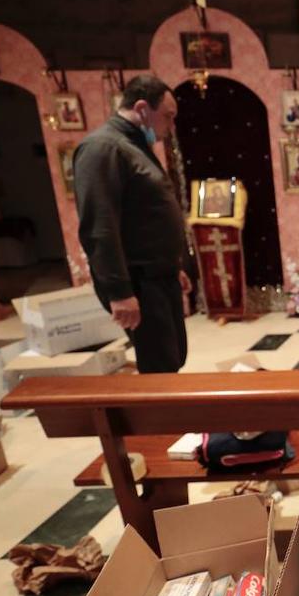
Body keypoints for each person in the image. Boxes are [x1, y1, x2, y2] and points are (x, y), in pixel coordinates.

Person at [74, 74, 190, 374]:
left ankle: (173, 418)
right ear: (141, 108)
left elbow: (144, 218)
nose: (170, 127)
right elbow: (100, 226)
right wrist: (119, 291)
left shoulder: (132, 146)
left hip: (158, 275)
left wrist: (172, 267)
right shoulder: (103, 148)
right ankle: (163, 420)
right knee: (159, 364)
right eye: (167, 117)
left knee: (173, 355)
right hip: (139, 281)